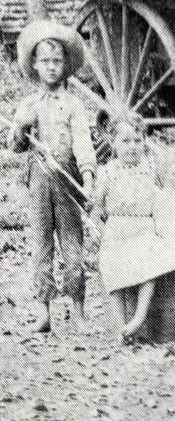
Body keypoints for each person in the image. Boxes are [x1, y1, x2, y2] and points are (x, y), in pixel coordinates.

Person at [8, 20, 97, 333]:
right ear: (34, 65)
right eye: (44, 61)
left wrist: (87, 180)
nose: (51, 67)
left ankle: (79, 310)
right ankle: (44, 311)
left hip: (66, 182)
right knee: (41, 246)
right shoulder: (28, 104)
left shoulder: (73, 105)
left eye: (57, 61)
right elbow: (15, 146)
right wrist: (21, 126)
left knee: (73, 247)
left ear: (66, 66)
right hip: (38, 183)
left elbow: (84, 146)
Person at [92, 115, 175, 342]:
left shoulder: (150, 169)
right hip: (116, 228)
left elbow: (166, 197)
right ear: (113, 143)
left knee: (149, 262)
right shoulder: (107, 172)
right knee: (109, 266)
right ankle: (121, 326)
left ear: (144, 142)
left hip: (144, 227)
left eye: (137, 140)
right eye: (125, 141)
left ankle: (140, 315)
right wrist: (100, 232)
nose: (132, 147)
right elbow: (97, 209)